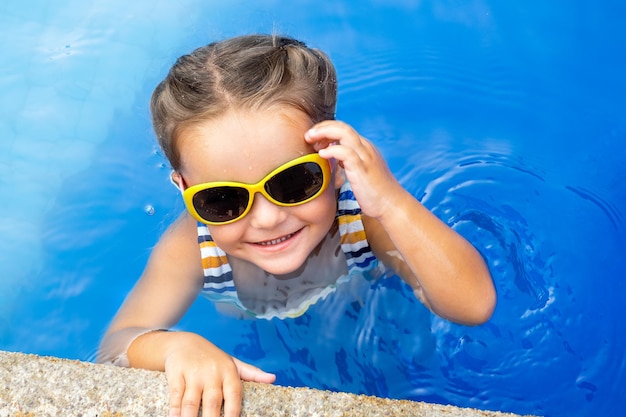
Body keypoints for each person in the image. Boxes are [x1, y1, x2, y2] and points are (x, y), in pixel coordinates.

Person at [97, 34, 496, 417]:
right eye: (223, 200)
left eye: (294, 182)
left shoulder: (363, 219)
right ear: (184, 190)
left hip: (362, 314)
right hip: (255, 331)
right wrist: (175, 348)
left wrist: (390, 201)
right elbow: (115, 346)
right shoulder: (191, 249)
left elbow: (474, 306)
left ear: (336, 163)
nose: (268, 218)